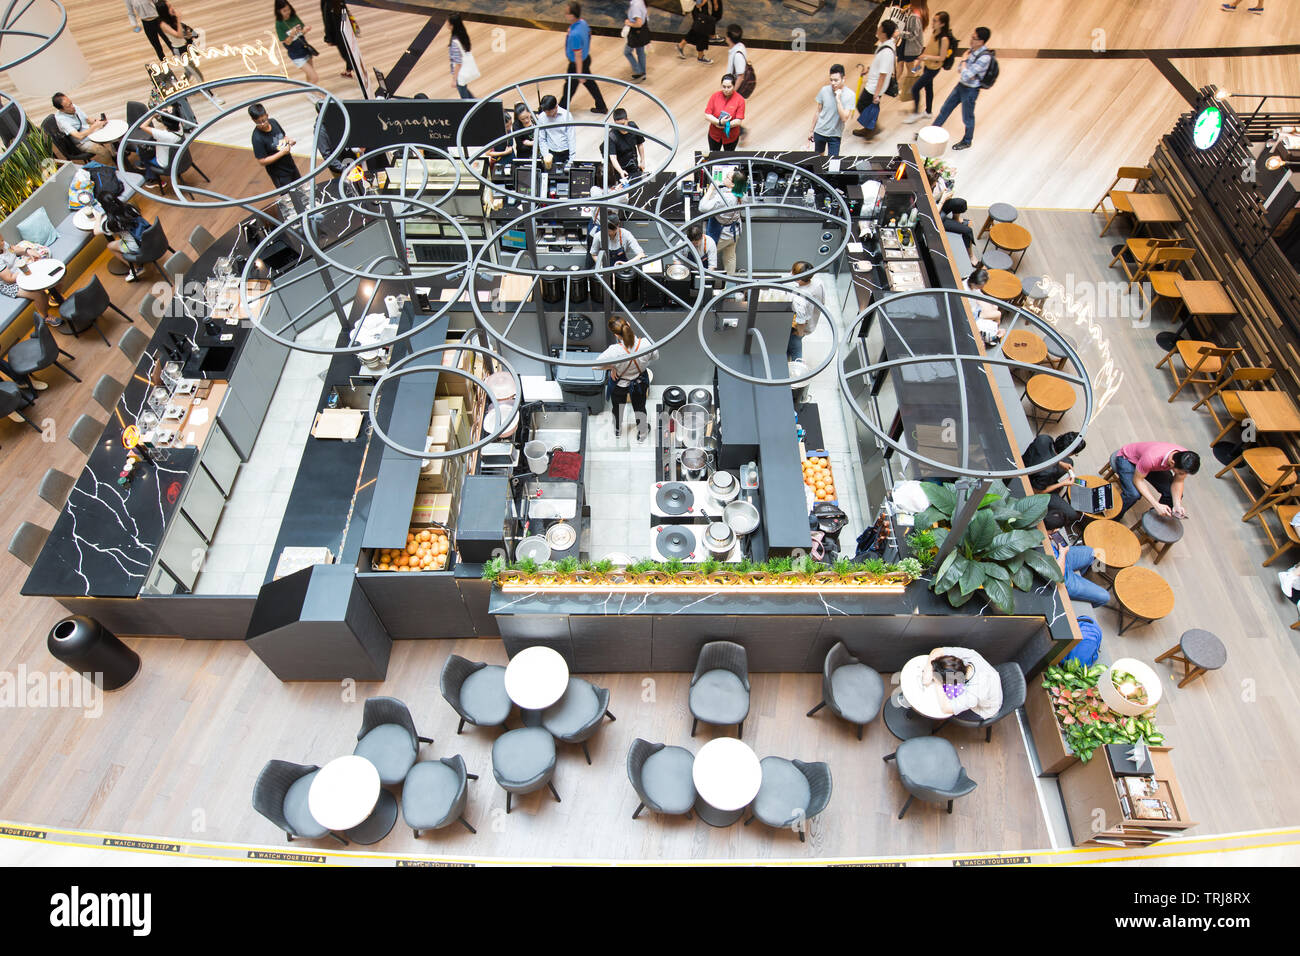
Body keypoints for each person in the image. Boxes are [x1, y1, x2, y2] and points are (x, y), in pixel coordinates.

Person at [596, 315, 658, 441]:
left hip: (619, 384)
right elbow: (655, 356)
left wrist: (612, 367)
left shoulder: (613, 351)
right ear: (628, 324)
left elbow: (596, 365)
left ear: (616, 335)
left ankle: (617, 430)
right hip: (639, 382)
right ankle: (642, 433)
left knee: (617, 409)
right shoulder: (646, 343)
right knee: (640, 408)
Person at [932, 26, 993, 151]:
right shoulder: (971, 51)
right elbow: (960, 70)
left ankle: (967, 141)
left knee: (967, 117)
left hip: (971, 90)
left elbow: (967, 74)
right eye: (972, 37)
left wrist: (964, 61)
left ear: (981, 41)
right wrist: (965, 66)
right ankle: (932, 131)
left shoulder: (984, 57)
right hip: (961, 86)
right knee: (945, 109)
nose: (971, 40)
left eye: (974, 38)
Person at [156, 2, 224, 106]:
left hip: (187, 46)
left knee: (189, 70)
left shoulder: (171, 18)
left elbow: (183, 32)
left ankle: (179, 87)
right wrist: (178, 19)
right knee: (197, 74)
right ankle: (211, 97)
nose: (172, 8)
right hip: (180, 51)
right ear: (164, 10)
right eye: (169, 7)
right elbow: (178, 35)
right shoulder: (162, 24)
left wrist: (188, 34)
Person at [249, 103, 310, 219]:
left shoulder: (274, 122)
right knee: (288, 198)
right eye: (259, 122)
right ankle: (295, 218)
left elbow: (284, 136)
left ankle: (307, 209)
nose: (262, 124)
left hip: (290, 164)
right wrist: (282, 153)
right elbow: (262, 161)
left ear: (267, 115)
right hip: (279, 173)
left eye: (264, 120)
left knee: (300, 188)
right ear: (253, 121)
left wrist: (289, 141)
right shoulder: (257, 138)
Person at [1109, 442, 1199, 518]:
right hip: (1128, 460)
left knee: (1172, 495)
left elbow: (1178, 481)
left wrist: (1177, 504)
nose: (1183, 475)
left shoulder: (1184, 458)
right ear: (1172, 463)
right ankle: (1112, 517)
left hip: (1150, 466)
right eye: (1181, 473)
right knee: (1133, 494)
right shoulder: (1151, 457)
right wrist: (1156, 504)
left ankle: (1154, 517)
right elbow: (1138, 480)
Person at [1044, 512, 1112, 608]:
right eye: (1054, 530)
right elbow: (1057, 574)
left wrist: (1052, 542)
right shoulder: (1039, 546)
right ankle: (1084, 603)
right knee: (1105, 597)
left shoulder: (1042, 528)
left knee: (1092, 552)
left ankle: (1081, 578)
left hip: (1060, 555)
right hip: (1062, 576)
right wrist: (1063, 553)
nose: (1057, 530)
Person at [1023, 431, 1086, 524]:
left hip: (1026, 465)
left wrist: (1059, 462)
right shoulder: (1048, 471)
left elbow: (1045, 454)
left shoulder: (1044, 438)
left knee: (1069, 462)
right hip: (1029, 486)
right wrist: (1062, 483)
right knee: (1072, 514)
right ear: (1070, 452)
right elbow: (1035, 492)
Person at [921, 646, 1002, 719]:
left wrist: (937, 681)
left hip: (985, 709)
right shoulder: (970, 656)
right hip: (990, 685)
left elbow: (946, 708)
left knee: (937, 704)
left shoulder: (975, 693)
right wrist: (929, 669)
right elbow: (938, 651)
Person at [851, 21, 896, 140]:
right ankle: (871, 128)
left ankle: (872, 128)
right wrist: (870, 69)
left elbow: (883, 74)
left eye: (879, 28)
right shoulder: (886, 44)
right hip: (875, 84)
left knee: (862, 105)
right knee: (870, 107)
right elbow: (880, 64)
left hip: (875, 87)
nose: (877, 29)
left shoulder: (886, 52)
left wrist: (876, 94)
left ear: (884, 33)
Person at [559, 2, 607, 114]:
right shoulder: (583, 23)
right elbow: (589, 34)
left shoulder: (575, 34)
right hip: (586, 59)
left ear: (572, 15)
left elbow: (578, 55)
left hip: (577, 65)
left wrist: (579, 73)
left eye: (567, 13)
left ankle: (561, 110)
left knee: (569, 88)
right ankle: (601, 106)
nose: (565, 14)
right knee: (590, 84)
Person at [698, 168, 747, 277]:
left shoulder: (725, 198)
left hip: (722, 234)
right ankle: (730, 280)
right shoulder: (742, 193)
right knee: (730, 256)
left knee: (705, 255)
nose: (724, 178)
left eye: (727, 177)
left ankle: (706, 279)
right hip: (735, 232)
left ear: (733, 184)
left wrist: (711, 189)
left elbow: (702, 207)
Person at [907, 9, 953, 122]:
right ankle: (928, 112)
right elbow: (928, 48)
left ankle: (916, 113)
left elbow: (942, 58)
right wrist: (920, 61)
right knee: (928, 88)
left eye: (935, 21)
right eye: (933, 20)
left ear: (942, 24)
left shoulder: (944, 39)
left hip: (933, 69)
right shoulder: (935, 33)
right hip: (927, 66)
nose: (933, 23)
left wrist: (925, 57)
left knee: (915, 89)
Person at [51, 94, 116, 165]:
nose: (72, 106)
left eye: (71, 103)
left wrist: (98, 121)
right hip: (81, 142)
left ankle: (115, 156)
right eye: (68, 106)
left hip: (89, 132)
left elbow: (87, 119)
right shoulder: (62, 120)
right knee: (104, 152)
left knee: (111, 134)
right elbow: (79, 136)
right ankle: (109, 169)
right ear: (61, 110)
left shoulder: (73, 107)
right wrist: (94, 127)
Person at [0, 238, 53, 324]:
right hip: (10, 284)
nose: (3, 242)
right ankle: (45, 317)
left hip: (20, 269)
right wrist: (27, 267)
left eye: (2, 239)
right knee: (38, 293)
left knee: (49, 273)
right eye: (1, 241)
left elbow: (12, 249)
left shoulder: (3, 244)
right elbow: (9, 278)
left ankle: (53, 298)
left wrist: (27, 251)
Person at [99, 195, 150, 282]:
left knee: (110, 246)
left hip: (137, 246)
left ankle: (136, 268)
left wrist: (98, 218)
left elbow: (96, 231)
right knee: (124, 238)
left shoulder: (112, 222)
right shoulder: (130, 207)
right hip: (150, 237)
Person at [809, 63, 856, 158]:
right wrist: (811, 130)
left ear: (843, 79)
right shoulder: (824, 90)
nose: (833, 83)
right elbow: (818, 111)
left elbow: (844, 118)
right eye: (831, 80)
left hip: (835, 135)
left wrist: (838, 100)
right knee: (818, 159)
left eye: (836, 80)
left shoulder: (850, 95)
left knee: (833, 161)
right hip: (820, 131)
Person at [275, 1, 320, 89]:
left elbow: (301, 32)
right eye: (284, 11)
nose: (287, 12)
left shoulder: (293, 16)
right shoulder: (279, 24)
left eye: (288, 9)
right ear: (279, 11)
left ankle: (310, 93)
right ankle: (309, 91)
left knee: (310, 76)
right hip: (296, 55)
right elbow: (287, 42)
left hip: (305, 49)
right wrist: (292, 35)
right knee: (314, 77)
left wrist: (305, 30)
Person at [786, 261, 825, 363]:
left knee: (795, 346)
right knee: (792, 344)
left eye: (793, 272)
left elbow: (801, 321)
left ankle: (797, 367)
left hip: (798, 328)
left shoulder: (799, 299)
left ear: (799, 279)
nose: (791, 273)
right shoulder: (818, 282)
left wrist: (799, 334)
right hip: (812, 318)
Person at [704, 73, 746, 153]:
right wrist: (719, 122)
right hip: (714, 135)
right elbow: (707, 114)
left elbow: (738, 120)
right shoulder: (714, 96)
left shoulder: (740, 100)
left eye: (729, 87)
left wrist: (725, 125)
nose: (726, 89)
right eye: (724, 87)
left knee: (728, 157)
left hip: (731, 137)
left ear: (734, 86)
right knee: (714, 156)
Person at [536, 95, 577, 170]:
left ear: (556, 107)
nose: (547, 114)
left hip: (566, 152)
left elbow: (571, 138)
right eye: (545, 112)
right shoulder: (542, 117)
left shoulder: (566, 115)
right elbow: (542, 139)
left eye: (549, 112)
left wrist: (572, 159)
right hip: (551, 153)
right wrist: (546, 155)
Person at [604, 108, 646, 183]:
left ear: (627, 120)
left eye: (623, 124)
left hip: (633, 164)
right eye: (618, 125)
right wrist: (620, 171)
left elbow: (640, 144)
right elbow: (613, 157)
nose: (621, 127)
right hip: (619, 168)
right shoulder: (612, 136)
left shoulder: (633, 127)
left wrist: (642, 160)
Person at [965, 265, 1003, 341]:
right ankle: (995, 330)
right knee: (998, 314)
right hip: (973, 315)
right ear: (975, 284)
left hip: (975, 308)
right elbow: (970, 309)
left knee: (995, 306)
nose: (982, 287)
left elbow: (979, 294)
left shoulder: (969, 280)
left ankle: (994, 328)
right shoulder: (967, 293)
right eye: (981, 286)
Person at [678, 0, 721, 64]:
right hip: (699, 6)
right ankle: (700, 56)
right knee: (701, 29)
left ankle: (682, 45)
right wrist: (705, 2)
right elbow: (698, 5)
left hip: (700, 6)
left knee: (699, 28)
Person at [941, 197, 981, 266]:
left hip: (937, 205)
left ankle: (956, 220)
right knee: (968, 230)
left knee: (960, 203)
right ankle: (971, 256)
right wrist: (943, 199)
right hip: (936, 216)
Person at [321, 0, 355, 78]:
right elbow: (344, 13)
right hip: (346, 30)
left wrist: (328, 38)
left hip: (338, 34)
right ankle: (349, 70)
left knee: (345, 53)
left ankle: (352, 69)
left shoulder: (327, 4)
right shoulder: (339, 2)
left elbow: (327, 22)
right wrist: (344, 24)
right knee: (348, 51)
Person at [896, 2, 927, 85]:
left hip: (911, 46)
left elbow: (913, 35)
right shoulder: (912, 11)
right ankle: (894, 84)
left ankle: (911, 86)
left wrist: (899, 33)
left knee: (910, 68)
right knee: (900, 63)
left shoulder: (915, 16)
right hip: (905, 43)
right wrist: (906, 10)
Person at [446, 14, 474, 99]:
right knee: (465, 91)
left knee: (464, 97)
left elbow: (458, 63)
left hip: (460, 74)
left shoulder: (455, 41)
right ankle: (477, 103)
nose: (446, 23)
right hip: (464, 71)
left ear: (452, 25)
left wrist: (454, 79)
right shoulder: (462, 35)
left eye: (448, 22)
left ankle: (475, 105)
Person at [623, 0, 650, 82]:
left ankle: (638, 72)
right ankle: (643, 73)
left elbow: (639, 23)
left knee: (627, 52)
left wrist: (628, 23)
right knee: (641, 52)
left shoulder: (636, 5)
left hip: (636, 33)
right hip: (642, 32)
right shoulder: (640, 2)